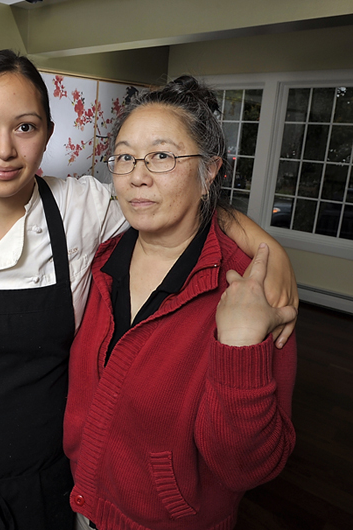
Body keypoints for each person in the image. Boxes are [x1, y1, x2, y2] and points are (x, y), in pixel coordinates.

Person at [0, 51, 296, 530]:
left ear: (47, 134)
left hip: (47, 465)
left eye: (25, 127)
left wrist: (266, 244)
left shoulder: (85, 207)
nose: (4, 149)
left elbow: (174, 209)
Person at [63, 76, 298, 530]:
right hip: (82, 501)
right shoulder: (101, 258)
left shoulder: (249, 290)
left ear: (209, 170)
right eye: (126, 157)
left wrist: (241, 347)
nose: (137, 175)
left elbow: (249, 469)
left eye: (162, 156)